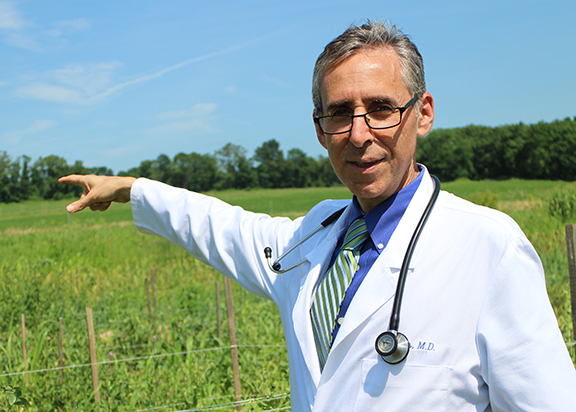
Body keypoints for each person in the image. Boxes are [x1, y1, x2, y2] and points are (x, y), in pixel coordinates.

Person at [60, 21, 576, 411]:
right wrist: (132, 189)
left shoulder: (487, 247)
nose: (358, 134)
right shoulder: (315, 237)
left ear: (422, 114)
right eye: (338, 113)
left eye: (380, 107)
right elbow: (222, 227)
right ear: (318, 126)